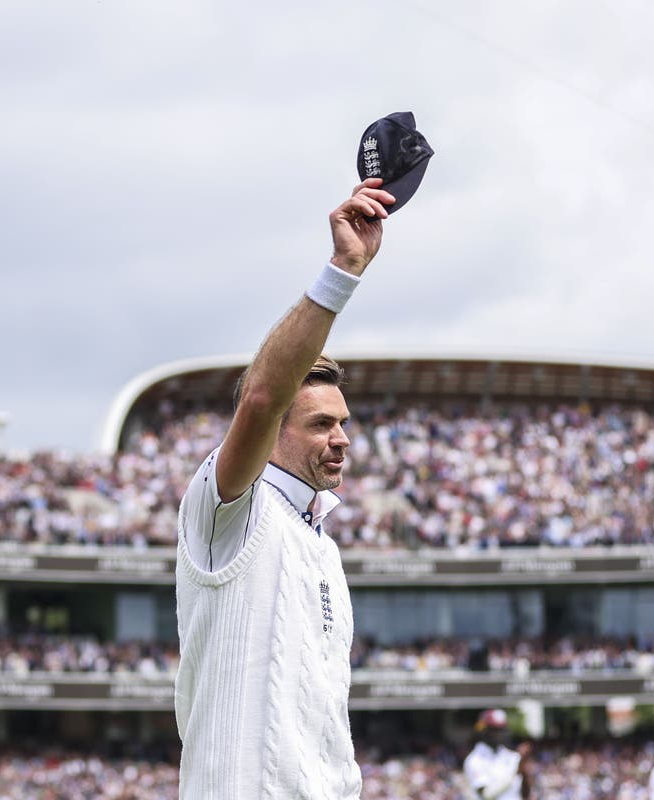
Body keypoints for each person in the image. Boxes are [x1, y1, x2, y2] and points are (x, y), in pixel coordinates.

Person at [174, 177, 395, 799]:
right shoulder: (228, 509)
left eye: (344, 422)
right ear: (271, 432)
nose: (342, 438)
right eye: (321, 424)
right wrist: (343, 270)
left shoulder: (320, 540)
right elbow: (266, 394)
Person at [462, 708, 532, 800]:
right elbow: (487, 795)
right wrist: (516, 771)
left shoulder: (512, 756)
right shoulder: (474, 760)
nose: (500, 734)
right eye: (495, 730)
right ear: (484, 731)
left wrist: (524, 769)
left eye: (502, 729)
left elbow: (525, 794)